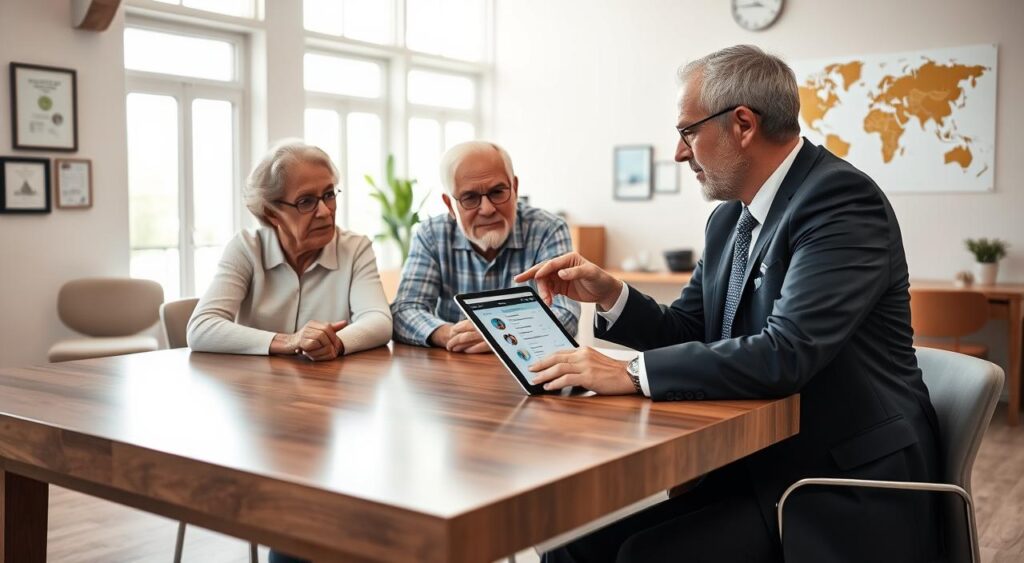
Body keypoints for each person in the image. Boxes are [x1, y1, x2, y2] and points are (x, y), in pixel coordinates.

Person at [517, 45, 941, 563]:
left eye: (687, 132)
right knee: (571, 550)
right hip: (756, 460)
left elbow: (787, 352)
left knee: (640, 556)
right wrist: (611, 295)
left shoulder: (840, 201)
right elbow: (691, 329)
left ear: (742, 124)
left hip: (838, 477)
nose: (678, 153)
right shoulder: (729, 221)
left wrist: (629, 372)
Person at [188, 139, 392, 361]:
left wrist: (335, 344)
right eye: (306, 201)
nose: (325, 211)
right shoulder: (247, 248)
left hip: (328, 386)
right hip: (257, 387)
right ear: (271, 213)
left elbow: (379, 320)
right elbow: (201, 327)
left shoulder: (355, 248)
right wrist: (290, 341)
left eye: (329, 195)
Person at [391, 141, 580, 353]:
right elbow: (404, 310)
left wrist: (499, 332)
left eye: (498, 192)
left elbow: (566, 314)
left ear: (515, 188)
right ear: (449, 205)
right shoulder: (432, 235)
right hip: (454, 368)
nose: (488, 209)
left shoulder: (548, 230)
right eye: (470, 198)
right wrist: (450, 335)